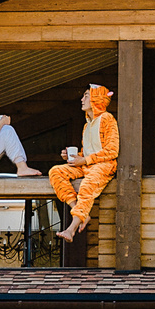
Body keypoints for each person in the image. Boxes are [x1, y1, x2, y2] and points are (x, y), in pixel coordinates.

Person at [48, 83, 119, 240]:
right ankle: (81, 214)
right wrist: (72, 157)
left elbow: (112, 150)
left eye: (86, 95)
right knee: (55, 171)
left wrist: (85, 159)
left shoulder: (107, 119)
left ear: (96, 98)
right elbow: (87, 151)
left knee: (87, 185)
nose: (82, 99)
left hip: (104, 166)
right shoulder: (87, 126)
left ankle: (71, 228)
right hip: (87, 165)